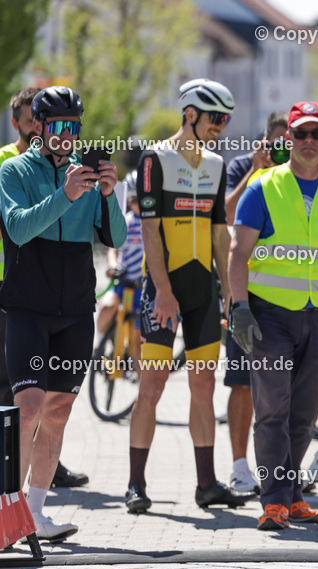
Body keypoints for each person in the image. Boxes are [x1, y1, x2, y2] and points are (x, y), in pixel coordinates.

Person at [228, 100, 318, 530]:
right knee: (273, 407)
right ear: (287, 139)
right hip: (267, 317)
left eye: (316, 134)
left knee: (305, 413)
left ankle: (290, 495)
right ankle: (272, 499)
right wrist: (238, 307)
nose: (309, 142)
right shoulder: (262, 188)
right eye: (300, 134)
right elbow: (238, 253)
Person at [0, 86, 127, 539]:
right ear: (38, 126)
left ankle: (34, 515)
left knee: (58, 412)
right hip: (27, 308)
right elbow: (17, 227)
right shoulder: (13, 170)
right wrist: (66, 196)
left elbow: (115, 237)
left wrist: (108, 195)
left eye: (75, 127)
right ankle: (6, 515)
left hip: (75, 310)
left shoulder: (87, 178)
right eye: (59, 127)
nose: (68, 136)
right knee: (28, 408)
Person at [126, 78, 254, 513]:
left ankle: (207, 484)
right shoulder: (154, 159)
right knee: (153, 384)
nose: (221, 126)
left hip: (203, 290)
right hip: (162, 288)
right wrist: (162, 291)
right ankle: (135, 484)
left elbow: (220, 233)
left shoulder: (216, 165)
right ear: (190, 114)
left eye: (226, 119)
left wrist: (229, 293)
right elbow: (148, 229)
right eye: (215, 118)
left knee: (203, 384)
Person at [219, 113, 292, 497]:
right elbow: (227, 214)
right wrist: (255, 169)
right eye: (277, 143)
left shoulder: (306, 176)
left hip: (291, 300)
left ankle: (282, 471)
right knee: (242, 383)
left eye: (290, 142)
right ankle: (239, 467)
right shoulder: (241, 168)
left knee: (286, 389)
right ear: (264, 141)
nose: (285, 150)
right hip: (246, 294)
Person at [94, 170, 144, 347]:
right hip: (124, 281)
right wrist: (113, 266)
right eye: (132, 200)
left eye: (140, 199)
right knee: (106, 307)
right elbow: (113, 249)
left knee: (140, 337)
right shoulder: (125, 221)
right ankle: (99, 344)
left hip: (145, 286)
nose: (136, 204)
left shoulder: (154, 223)